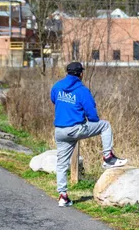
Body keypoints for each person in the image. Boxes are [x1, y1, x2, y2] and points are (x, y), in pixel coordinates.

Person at [51, 62, 127, 207]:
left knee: (61, 164)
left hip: (60, 131)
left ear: (67, 72)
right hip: (75, 128)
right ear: (81, 74)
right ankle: (108, 157)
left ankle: (63, 196)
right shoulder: (82, 90)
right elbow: (92, 114)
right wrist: (91, 121)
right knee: (105, 125)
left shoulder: (57, 86)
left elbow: (54, 100)